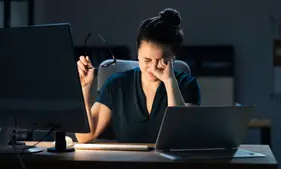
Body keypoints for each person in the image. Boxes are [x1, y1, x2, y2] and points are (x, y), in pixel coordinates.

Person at [75, 8, 201, 143]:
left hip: (167, 163)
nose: (152, 68)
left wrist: (170, 82)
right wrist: (85, 88)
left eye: (161, 61)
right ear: (138, 53)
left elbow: (181, 137)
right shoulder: (117, 84)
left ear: (173, 58)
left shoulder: (187, 84)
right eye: (147, 60)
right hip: (125, 162)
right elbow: (84, 137)